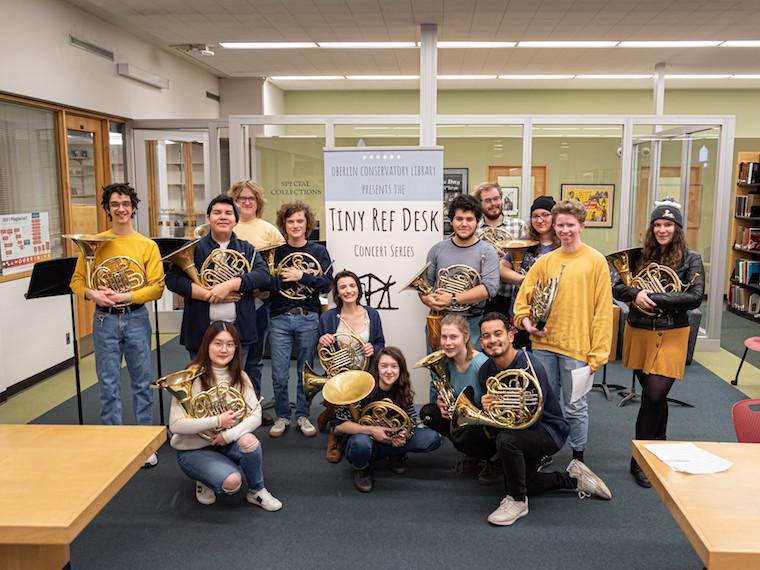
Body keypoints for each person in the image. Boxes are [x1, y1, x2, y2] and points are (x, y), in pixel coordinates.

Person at [472, 313, 612, 526]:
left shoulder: (531, 367)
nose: (492, 340)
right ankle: (573, 479)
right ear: (481, 342)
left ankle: (517, 501)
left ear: (511, 335)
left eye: (498, 333)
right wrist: (489, 409)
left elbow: (532, 419)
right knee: (526, 481)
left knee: (507, 441)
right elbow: (500, 421)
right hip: (519, 430)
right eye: (486, 336)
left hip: (547, 431)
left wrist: (502, 409)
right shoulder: (486, 371)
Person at [70, 183, 164, 467]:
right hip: (104, 319)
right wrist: (92, 293)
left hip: (135, 317)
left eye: (125, 203)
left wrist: (127, 295)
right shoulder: (95, 242)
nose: (121, 209)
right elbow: (77, 281)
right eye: (115, 204)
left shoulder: (147, 245)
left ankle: (145, 444)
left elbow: (157, 288)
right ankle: (113, 440)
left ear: (133, 207)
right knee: (108, 384)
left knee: (141, 382)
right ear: (107, 209)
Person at [612, 199, 704, 488]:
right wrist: (635, 294)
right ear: (652, 228)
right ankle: (659, 445)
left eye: (668, 225)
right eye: (658, 225)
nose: (662, 229)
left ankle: (638, 460)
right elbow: (617, 286)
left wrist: (653, 298)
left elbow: (695, 296)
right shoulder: (639, 256)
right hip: (640, 332)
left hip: (673, 333)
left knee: (652, 396)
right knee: (656, 398)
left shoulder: (691, 259)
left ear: (677, 229)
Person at [513, 199, 613, 464]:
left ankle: (578, 457)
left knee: (576, 407)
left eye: (570, 225)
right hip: (544, 345)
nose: (565, 230)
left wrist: (598, 354)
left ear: (582, 225)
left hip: (578, 348)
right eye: (560, 225)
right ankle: (544, 450)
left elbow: (603, 311)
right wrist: (526, 323)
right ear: (553, 227)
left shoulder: (596, 261)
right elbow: (522, 300)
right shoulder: (546, 261)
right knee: (544, 404)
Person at [169, 321, 281, 510]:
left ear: (236, 348)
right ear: (207, 345)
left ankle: (257, 490)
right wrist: (218, 420)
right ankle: (203, 477)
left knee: (250, 441)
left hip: (226, 442)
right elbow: (176, 425)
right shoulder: (190, 377)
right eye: (218, 343)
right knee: (232, 483)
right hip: (195, 448)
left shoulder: (240, 376)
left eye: (230, 344)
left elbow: (256, 415)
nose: (224, 349)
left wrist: (228, 435)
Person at [165, 195, 271, 363]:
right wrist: (207, 295)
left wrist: (230, 285)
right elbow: (172, 279)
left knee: (234, 385)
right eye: (217, 212)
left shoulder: (247, 248)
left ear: (236, 219)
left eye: (228, 213)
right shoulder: (194, 247)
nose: (222, 217)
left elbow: (264, 276)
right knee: (201, 384)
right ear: (208, 218)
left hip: (238, 331)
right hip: (200, 331)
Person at [335, 347, 441, 492]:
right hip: (367, 439)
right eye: (384, 366)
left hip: (390, 438)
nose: (389, 371)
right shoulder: (362, 388)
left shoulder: (402, 389)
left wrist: (404, 434)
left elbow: (410, 420)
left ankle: (394, 453)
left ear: (400, 369)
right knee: (360, 443)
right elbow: (340, 425)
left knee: (432, 438)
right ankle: (362, 468)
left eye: (394, 366)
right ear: (377, 368)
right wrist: (371, 430)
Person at [268, 201, 333, 438]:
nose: (295, 225)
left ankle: (303, 415)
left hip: (308, 317)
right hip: (280, 317)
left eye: (300, 221)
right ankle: (283, 416)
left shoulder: (319, 252)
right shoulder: (276, 252)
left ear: (308, 224)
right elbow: (266, 283)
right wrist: (287, 279)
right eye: (291, 221)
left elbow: (327, 284)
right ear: (284, 224)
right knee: (278, 373)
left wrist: (302, 276)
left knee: (306, 372)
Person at [318, 270, 386, 460]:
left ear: (358, 289)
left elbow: (381, 342)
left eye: (352, 286)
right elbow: (324, 353)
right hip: (341, 375)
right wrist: (323, 340)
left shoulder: (372, 314)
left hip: (367, 371)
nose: (348, 290)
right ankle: (336, 434)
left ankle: (331, 414)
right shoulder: (328, 317)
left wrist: (374, 349)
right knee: (346, 402)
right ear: (337, 293)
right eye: (343, 287)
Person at [227, 180, 285, 399]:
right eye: (242, 198)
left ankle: (253, 405)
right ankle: (231, 405)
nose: (247, 202)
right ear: (234, 201)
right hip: (226, 301)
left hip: (259, 302)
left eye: (252, 198)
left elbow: (277, 270)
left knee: (255, 359)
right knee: (229, 357)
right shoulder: (226, 226)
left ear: (258, 202)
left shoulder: (270, 230)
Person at [421, 194, 499, 348]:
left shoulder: (488, 252)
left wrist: (453, 299)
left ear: (478, 222)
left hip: (472, 322)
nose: (464, 224)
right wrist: (427, 299)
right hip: (440, 320)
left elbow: (490, 288)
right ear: (452, 221)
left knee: (470, 370)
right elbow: (424, 286)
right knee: (437, 371)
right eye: (459, 219)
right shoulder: (437, 250)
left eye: (469, 219)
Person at [419, 314, 488, 473]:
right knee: (429, 413)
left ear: (466, 337)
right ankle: (472, 453)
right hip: (465, 417)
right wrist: (441, 403)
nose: (447, 343)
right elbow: (452, 393)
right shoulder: (447, 362)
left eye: (453, 337)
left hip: (484, 422)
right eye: (444, 337)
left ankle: (494, 459)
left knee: (464, 437)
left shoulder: (481, 364)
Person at [500, 195, 559, 348]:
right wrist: (525, 281)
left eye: (545, 215)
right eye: (535, 216)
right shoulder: (524, 242)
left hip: (552, 315)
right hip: (522, 312)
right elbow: (502, 269)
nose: (540, 220)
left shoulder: (562, 245)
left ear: (554, 217)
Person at [474, 182, 527, 316]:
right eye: (488, 200)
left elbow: (527, 261)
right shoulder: (474, 229)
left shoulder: (519, 226)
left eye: (496, 198)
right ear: (480, 204)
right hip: (481, 297)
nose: (493, 203)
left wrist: (507, 259)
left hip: (510, 294)